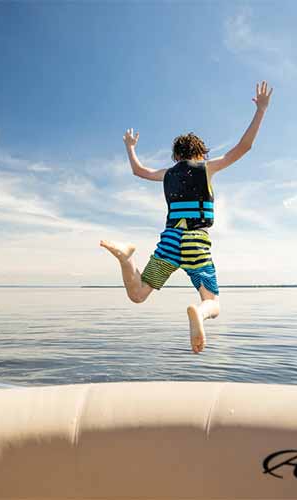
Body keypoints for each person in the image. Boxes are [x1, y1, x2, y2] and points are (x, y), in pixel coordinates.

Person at [100, 81, 273, 353]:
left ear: (175, 156)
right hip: (196, 242)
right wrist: (261, 110)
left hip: (170, 241)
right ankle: (199, 311)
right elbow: (244, 147)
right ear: (200, 152)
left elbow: (139, 171)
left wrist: (130, 146)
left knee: (138, 293)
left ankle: (126, 257)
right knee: (212, 301)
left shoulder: (167, 174)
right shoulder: (207, 168)